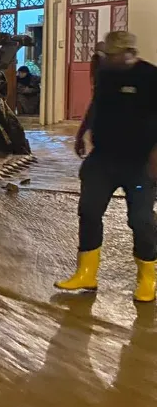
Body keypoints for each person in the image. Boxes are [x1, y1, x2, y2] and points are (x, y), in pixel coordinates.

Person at [56, 30, 157, 303]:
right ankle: (86, 272)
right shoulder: (106, 74)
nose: (106, 59)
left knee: (141, 220)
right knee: (89, 210)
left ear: (128, 53)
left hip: (139, 163)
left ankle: (147, 278)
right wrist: (81, 133)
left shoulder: (150, 76)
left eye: (111, 55)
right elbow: (96, 105)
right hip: (103, 158)